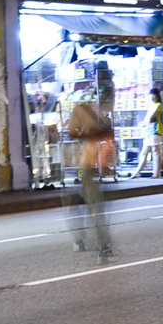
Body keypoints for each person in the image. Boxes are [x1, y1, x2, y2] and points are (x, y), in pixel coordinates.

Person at [67, 100, 115, 258]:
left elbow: (73, 133)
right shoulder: (95, 123)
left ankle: (100, 245)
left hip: (88, 170)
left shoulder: (88, 124)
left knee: (92, 207)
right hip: (89, 170)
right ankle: (91, 243)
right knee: (88, 206)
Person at [133, 87, 163, 177]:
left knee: (155, 151)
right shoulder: (152, 106)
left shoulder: (158, 105)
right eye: (150, 95)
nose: (151, 97)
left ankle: (157, 173)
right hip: (149, 131)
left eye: (153, 95)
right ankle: (137, 172)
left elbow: (150, 118)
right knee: (144, 152)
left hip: (155, 131)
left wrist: (145, 121)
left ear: (156, 96)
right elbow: (148, 119)